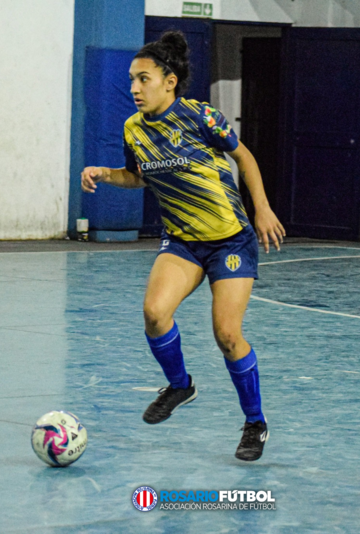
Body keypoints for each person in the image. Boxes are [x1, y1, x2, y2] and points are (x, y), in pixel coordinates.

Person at [81, 31, 285, 461]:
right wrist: (104, 172)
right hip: (182, 241)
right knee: (155, 314)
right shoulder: (133, 129)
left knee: (228, 335)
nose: (134, 88)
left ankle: (255, 423)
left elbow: (243, 157)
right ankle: (180, 386)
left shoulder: (201, 117)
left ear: (169, 81)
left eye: (144, 79)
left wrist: (262, 208)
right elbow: (138, 176)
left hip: (230, 238)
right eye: (132, 80)